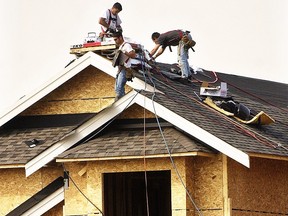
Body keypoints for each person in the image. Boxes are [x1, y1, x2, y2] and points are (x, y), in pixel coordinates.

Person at [112, 31, 136, 101]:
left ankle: (121, 103)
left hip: (125, 70)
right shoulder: (121, 47)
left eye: (116, 39)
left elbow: (133, 55)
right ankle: (121, 101)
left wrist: (124, 52)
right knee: (117, 89)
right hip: (121, 70)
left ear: (120, 37)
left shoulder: (126, 45)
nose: (115, 41)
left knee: (119, 89)